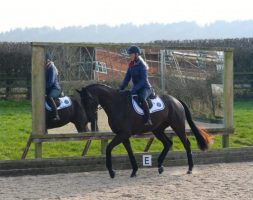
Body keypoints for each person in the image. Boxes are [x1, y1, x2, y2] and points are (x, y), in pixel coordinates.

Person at [119, 45, 153, 126]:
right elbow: (127, 79)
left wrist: (134, 89)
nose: (130, 56)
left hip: (146, 88)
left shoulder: (142, 66)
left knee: (141, 97)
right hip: (137, 88)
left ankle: (148, 119)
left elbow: (143, 80)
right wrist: (120, 88)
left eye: (131, 54)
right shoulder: (131, 65)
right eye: (129, 54)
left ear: (136, 54)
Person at [45, 52, 61, 121]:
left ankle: (56, 115)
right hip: (49, 88)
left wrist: (43, 88)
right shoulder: (46, 68)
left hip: (55, 88)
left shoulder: (51, 68)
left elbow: (51, 82)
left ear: (48, 60)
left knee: (50, 97)